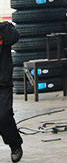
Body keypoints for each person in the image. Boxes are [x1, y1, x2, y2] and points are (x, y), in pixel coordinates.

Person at [0, 21, 22, 162]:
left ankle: (15, 145)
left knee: (3, 116)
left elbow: (15, 37)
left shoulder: (4, 31)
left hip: (2, 84)